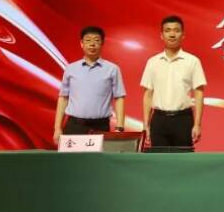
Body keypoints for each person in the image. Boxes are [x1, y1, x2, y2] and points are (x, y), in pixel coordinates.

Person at [141, 16, 206, 148]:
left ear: (183, 35)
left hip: (183, 119)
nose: (172, 34)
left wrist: (197, 124)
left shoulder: (193, 61)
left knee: (184, 159)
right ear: (161, 35)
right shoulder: (152, 62)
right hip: (159, 119)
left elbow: (199, 94)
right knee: (159, 158)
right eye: (168, 30)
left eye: (176, 30)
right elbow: (148, 95)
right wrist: (145, 125)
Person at [53, 26, 125, 144]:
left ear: (102, 44)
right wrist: (57, 128)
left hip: (100, 127)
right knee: (71, 157)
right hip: (74, 126)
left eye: (96, 40)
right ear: (81, 44)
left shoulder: (112, 69)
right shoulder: (71, 69)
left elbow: (119, 98)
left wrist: (120, 127)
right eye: (88, 40)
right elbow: (63, 98)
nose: (92, 44)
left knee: (98, 157)